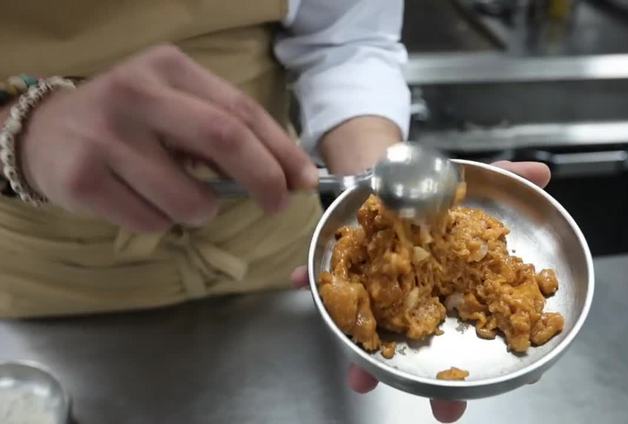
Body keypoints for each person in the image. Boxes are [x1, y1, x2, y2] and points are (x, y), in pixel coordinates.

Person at [0, 1, 550, 422]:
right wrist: (21, 130)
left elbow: (346, 39)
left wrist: (382, 198)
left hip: (269, 250)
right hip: (50, 292)